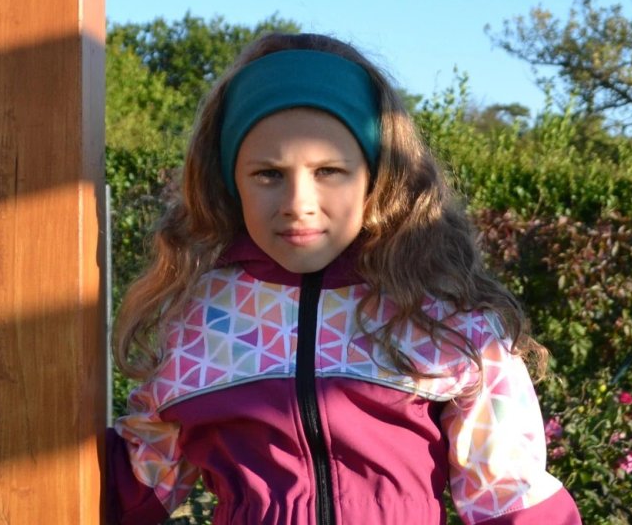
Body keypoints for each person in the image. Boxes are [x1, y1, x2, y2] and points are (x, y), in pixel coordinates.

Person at [107, 33, 581, 525]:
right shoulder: (198, 321)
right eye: (268, 174)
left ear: (377, 176)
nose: (298, 203)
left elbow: (509, 496)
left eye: (329, 170)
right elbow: (131, 489)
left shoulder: (447, 318)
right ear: (230, 182)